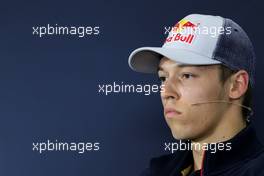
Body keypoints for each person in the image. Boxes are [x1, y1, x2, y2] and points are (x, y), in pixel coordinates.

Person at [128, 14, 264, 176]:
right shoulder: (156, 172)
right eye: (163, 78)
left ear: (236, 85)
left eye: (186, 75)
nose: (167, 92)